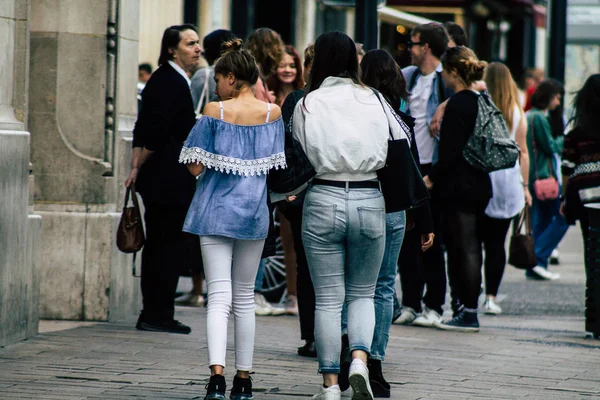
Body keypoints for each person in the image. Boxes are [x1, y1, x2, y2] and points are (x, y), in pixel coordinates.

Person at [293, 31, 408, 400]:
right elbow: (400, 140)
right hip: (368, 196)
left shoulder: (308, 102)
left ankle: (330, 385)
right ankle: (360, 359)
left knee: (328, 299)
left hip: (324, 194)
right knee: (363, 293)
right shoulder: (373, 97)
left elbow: (297, 152)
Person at [179, 38, 284, 400]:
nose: (217, 85)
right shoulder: (273, 113)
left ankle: (217, 379)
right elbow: (275, 169)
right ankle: (244, 379)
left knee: (218, 296)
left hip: (214, 211)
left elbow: (193, 165)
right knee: (244, 298)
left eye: (220, 78)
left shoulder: (215, 111)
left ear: (230, 77)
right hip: (253, 214)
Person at [357, 48, 434, 398]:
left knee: (354, 285)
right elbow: (413, 170)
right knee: (385, 285)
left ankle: (351, 354)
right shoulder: (402, 115)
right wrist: (425, 218)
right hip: (394, 209)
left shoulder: (357, 109)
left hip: (359, 199)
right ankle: (374, 361)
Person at [125, 24, 201, 334]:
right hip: (166, 178)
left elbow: (143, 129)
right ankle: (158, 314)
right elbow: (153, 132)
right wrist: (136, 166)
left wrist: (135, 165)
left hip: (164, 177)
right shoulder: (170, 81)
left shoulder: (169, 79)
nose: (197, 48)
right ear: (172, 49)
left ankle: (156, 312)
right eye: (190, 43)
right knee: (165, 246)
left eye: (197, 43)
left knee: (161, 245)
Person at [424, 46, 490, 332]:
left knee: (463, 249)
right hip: (480, 183)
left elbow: (449, 153)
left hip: (457, 187)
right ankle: (467, 308)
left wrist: (430, 178)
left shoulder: (458, 104)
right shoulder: (480, 100)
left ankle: (467, 311)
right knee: (472, 248)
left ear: (452, 73)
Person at [398, 22, 451, 328]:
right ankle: (411, 302)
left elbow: (477, 89)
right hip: (411, 166)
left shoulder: (445, 80)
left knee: (433, 238)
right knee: (407, 238)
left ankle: (434, 305)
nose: (409, 49)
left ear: (426, 47)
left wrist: (445, 104)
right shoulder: (409, 76)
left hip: (435, 168)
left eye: (413, 44)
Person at [273, 43, 318, 356]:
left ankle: (313, 337)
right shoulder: (299, 99)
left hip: (302, 195)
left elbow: (285, 147)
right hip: (330, 192)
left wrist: (287, 194)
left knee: (307, 266)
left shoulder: (299, 100)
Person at [481, 62, 532, 314]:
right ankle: (491, 295)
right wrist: (525, 186)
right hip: (508, 183)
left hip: (482, 178)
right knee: (496, 243)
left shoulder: (482, 107)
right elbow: (523, 152)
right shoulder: (516, 112)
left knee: (472, 242)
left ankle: (467, 293)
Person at [523, 79, 568, 281]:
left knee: (540, 220)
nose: (558, 102)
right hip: (543, 176)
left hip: (533, 177)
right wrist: (564, 139)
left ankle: (536, 264)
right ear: (548, 96)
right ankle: (539, 257)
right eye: (557, 97)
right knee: (562, 217)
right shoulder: (539, 118)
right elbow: (550, 146)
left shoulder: (529, 116)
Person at [562, 74, 600, 260]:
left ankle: (592, 286)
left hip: (585, 194)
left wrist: (564, 198)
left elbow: (567, 168)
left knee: (590, 243)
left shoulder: (576, 133)